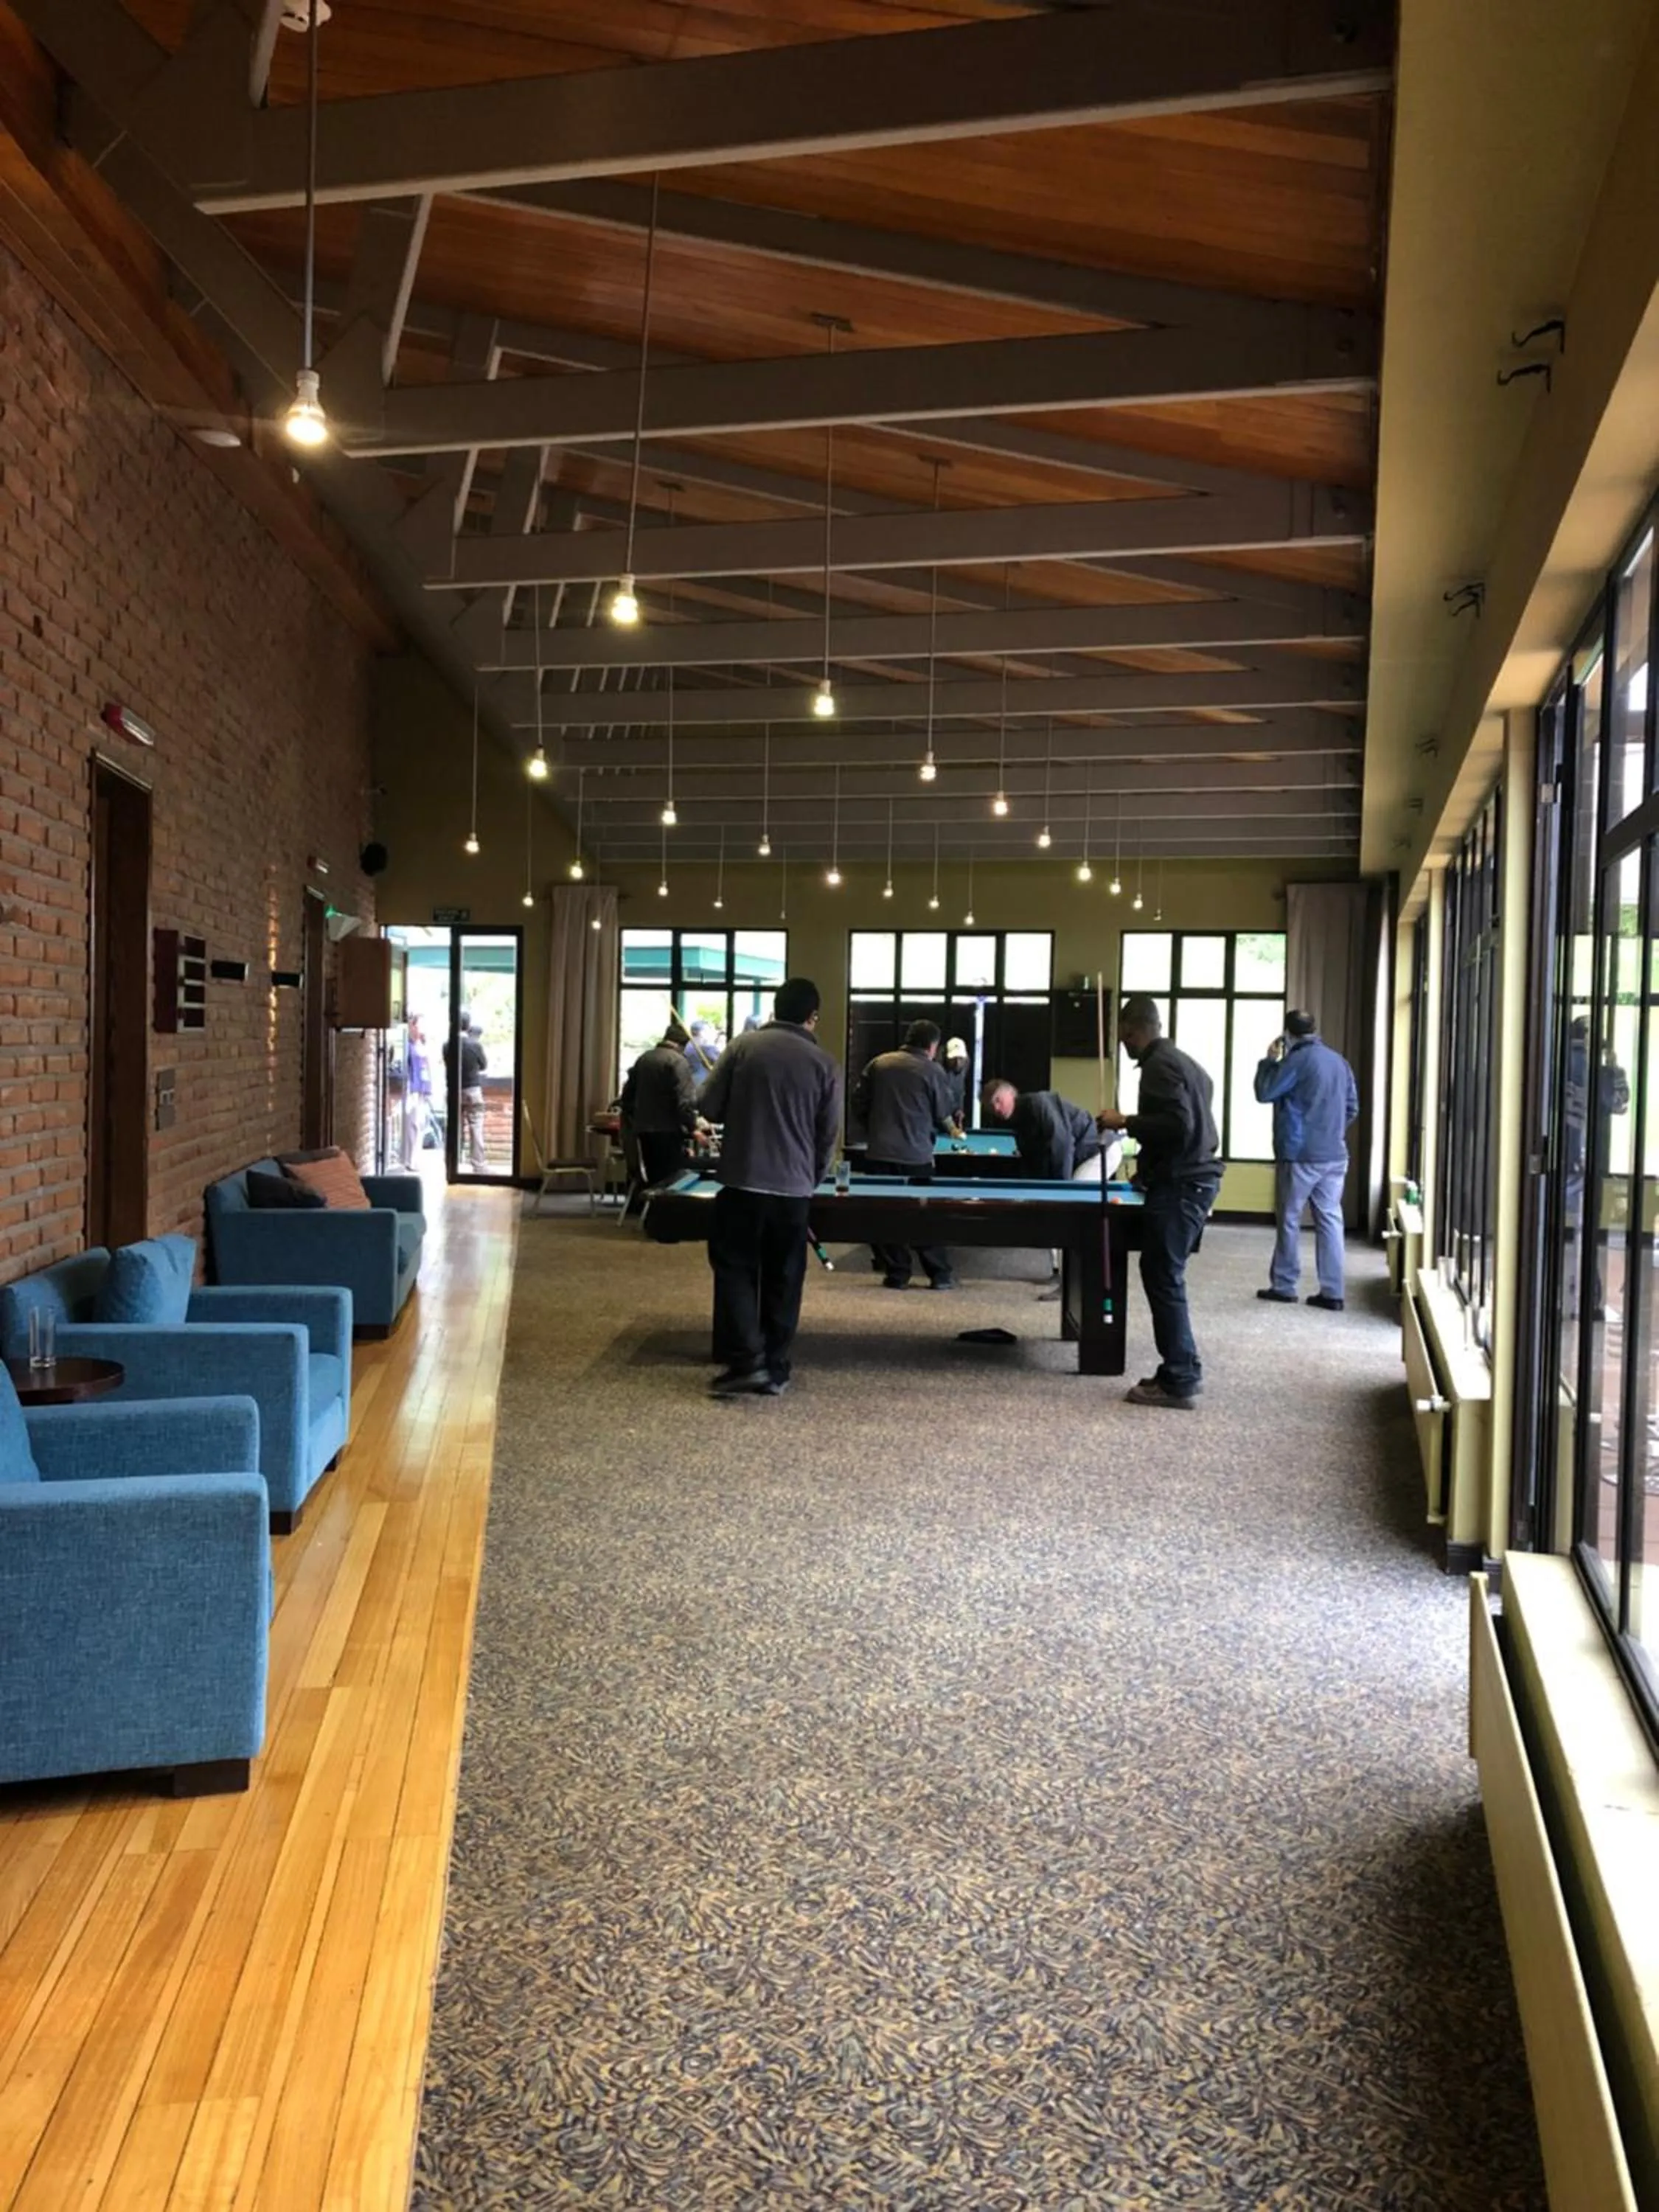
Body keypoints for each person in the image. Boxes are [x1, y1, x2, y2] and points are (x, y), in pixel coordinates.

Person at [698, 977, 843, 1398]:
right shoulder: (825, 1064)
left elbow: (707, 1106)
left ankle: (748, 1360)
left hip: (742, 1182)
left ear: (776, 1009)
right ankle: (775, 1369)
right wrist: (810, 1179)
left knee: (735, 1269)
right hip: (794, 1190)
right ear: (813, 1017)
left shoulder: (743, 1047)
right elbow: (828, 1136)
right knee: (785, 1277)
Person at [1096, 995, 1222, 1410]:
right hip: (1192, 1180)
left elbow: (1178, 1126)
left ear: (1133, 1030)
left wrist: (1125, 1122)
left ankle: (1180, 1378)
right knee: (1162, 1272)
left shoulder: (1157, 1066)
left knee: (1164, 1276)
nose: (1124, 1044)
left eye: (1124, 1037)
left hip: (1183, 1186)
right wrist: (1149, 1169)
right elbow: (1197, 1108)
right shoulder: (1186, 1063)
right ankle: (1179, 1368)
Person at [1253, 1009, 1360, 1311]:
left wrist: (1268, 1061)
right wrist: (1331, 1131)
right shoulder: (1339, 1062)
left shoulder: (1295, 1061)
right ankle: (1333, 1292)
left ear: (1287, 1034)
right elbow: (1352, 1107)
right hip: (1334, 1155)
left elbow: (1265, 1092)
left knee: (1289, 1218)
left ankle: (1284, 1285)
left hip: (1299, 1155)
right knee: (1330, 1220)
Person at [849, 1018, 959, 1290]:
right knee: (924, 1216)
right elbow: (942, 1113)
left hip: (880, 1153)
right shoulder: (933, 1071)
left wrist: (874, 1128)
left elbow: (858, 1103)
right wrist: (950, 1129)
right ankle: (939, 1275)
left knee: (884, 1215)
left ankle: (898, 1274)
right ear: (932, 1046)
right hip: (916, 1157)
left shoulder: (879, 1064)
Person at [981, 1079, 1118, 1182]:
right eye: (991, 1106)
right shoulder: (1017, 1122)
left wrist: (1060, 1188)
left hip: (1102, 1151)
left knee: (1073, 1198)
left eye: (998, 1100)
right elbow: (1034, 1162)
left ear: (1011, 1093)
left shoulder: (1037, 1103)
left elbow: (1062, 1145)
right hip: (1084, 1156)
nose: (996, 1108)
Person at [621, 1018, 700, 1188]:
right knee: (671, 1180)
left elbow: (626, 1098)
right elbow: (685, 1102)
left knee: (653, 1177)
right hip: (668, 1131)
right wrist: (693, 1128)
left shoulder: (644, 1058)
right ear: (683, 1044)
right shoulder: (678, 1061)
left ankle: (651, 1203)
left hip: (643, 1130)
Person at [442, 1019, 489, 1172]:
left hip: (454, 1090)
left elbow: (448, 1064)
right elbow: (484, 1065)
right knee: (476, 1127)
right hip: (472, 1090)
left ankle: (451, 1163)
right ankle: (478, 1165)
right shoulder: (475, 1045)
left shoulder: (447, 1045)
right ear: (468, 1027)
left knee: (454, 1127)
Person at [400, 1012, 433, 1167]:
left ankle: (415, 1159)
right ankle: (409, 1160)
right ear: (413, 1026)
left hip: (422, 1089)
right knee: (412, 1124)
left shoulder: (423, 1045)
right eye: (420, 1024)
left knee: (420, 1124)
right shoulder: (408, 1045)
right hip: (412, 1088)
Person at [941, 1037, 971, 1131]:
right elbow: (940, 1101)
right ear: (946, 1058)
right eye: (953, 1059)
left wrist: (959, 1109)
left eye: (961, 1058)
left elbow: (960, 1089)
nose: (957, 1063)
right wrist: (951, 1126)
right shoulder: (937, 1071)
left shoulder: (966, 1064)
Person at [683, 1019, 721, 1093]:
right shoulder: (706, 1046)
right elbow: (720, 1062)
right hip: (704, 1083)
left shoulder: (688, 1045)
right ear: (702, 1032)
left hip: (690, 1082)